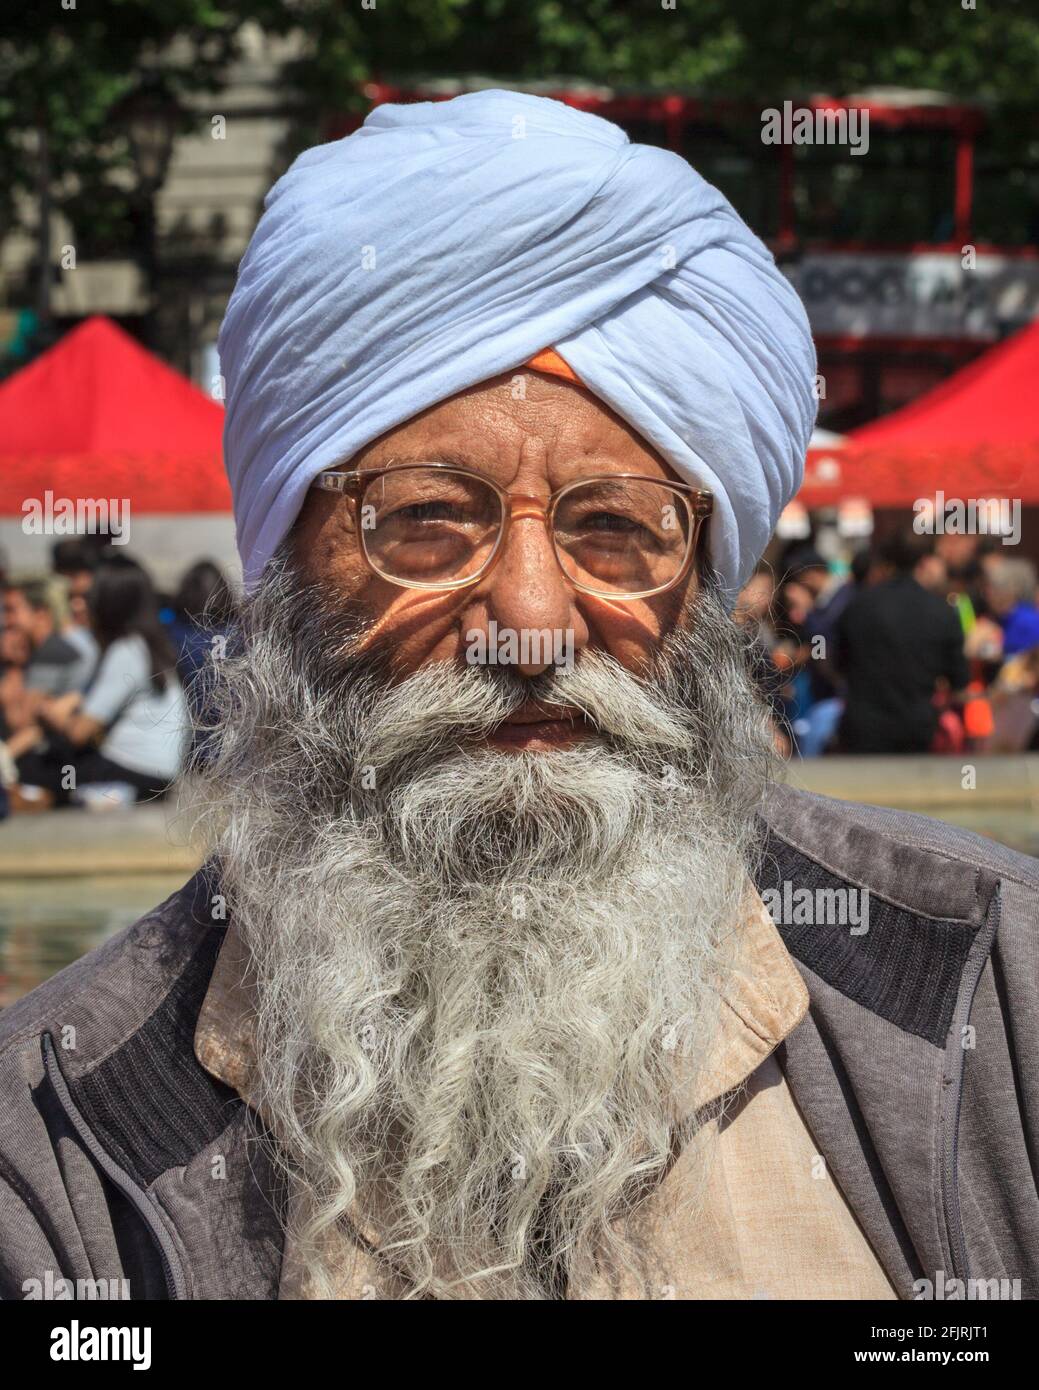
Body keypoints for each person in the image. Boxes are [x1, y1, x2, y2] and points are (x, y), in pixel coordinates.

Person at [0, 91, 1035, 1302]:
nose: (533, 623)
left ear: (701, 581)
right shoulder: (51, 1144)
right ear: (283, 569)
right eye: (428, 520)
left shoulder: (997, 988)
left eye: (614, 527)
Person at [13, 559, 188, 806]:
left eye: (89, 597)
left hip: (134, 770)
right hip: (158, 770)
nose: (81, 605)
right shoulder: (150, 646)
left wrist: (48, 711)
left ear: (108, 604)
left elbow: (79, 732)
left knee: (33, 767)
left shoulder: (125, 651)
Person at [833, 532, 970, 754]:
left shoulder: (858, 607)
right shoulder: (942, 612)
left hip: (864, 729)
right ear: (924, 562)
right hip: (917, 731)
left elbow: (840, 665)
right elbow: (959, 681)